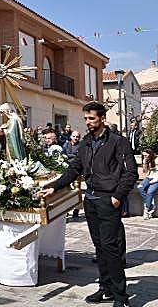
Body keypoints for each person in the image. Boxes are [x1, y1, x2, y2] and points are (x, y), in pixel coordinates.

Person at [40, 102, 137, 307]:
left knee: (111, 248)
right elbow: (74, 169)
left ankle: (121, 296)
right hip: (91, 201)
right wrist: (54, 188)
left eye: (91, 118)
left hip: (109, 201)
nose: (88, 122)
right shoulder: (85, 142)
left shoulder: (118, 142)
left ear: (101, 118)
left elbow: (130, 173)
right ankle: (106, 288)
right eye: (85, 118)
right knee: (99, 248)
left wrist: (118, 196)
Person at [138, 151, 157, 220]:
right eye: (144, 155)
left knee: (149, 193)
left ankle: (146, 211)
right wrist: (144, 164)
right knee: (140, 187)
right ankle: (151, 205)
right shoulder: (147, 161)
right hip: (149, 177)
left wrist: (155, 180)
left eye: (146, 155)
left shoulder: (156, 159)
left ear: (150, 154)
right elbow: (145, 172)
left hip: (156, 179)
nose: (145, 156)